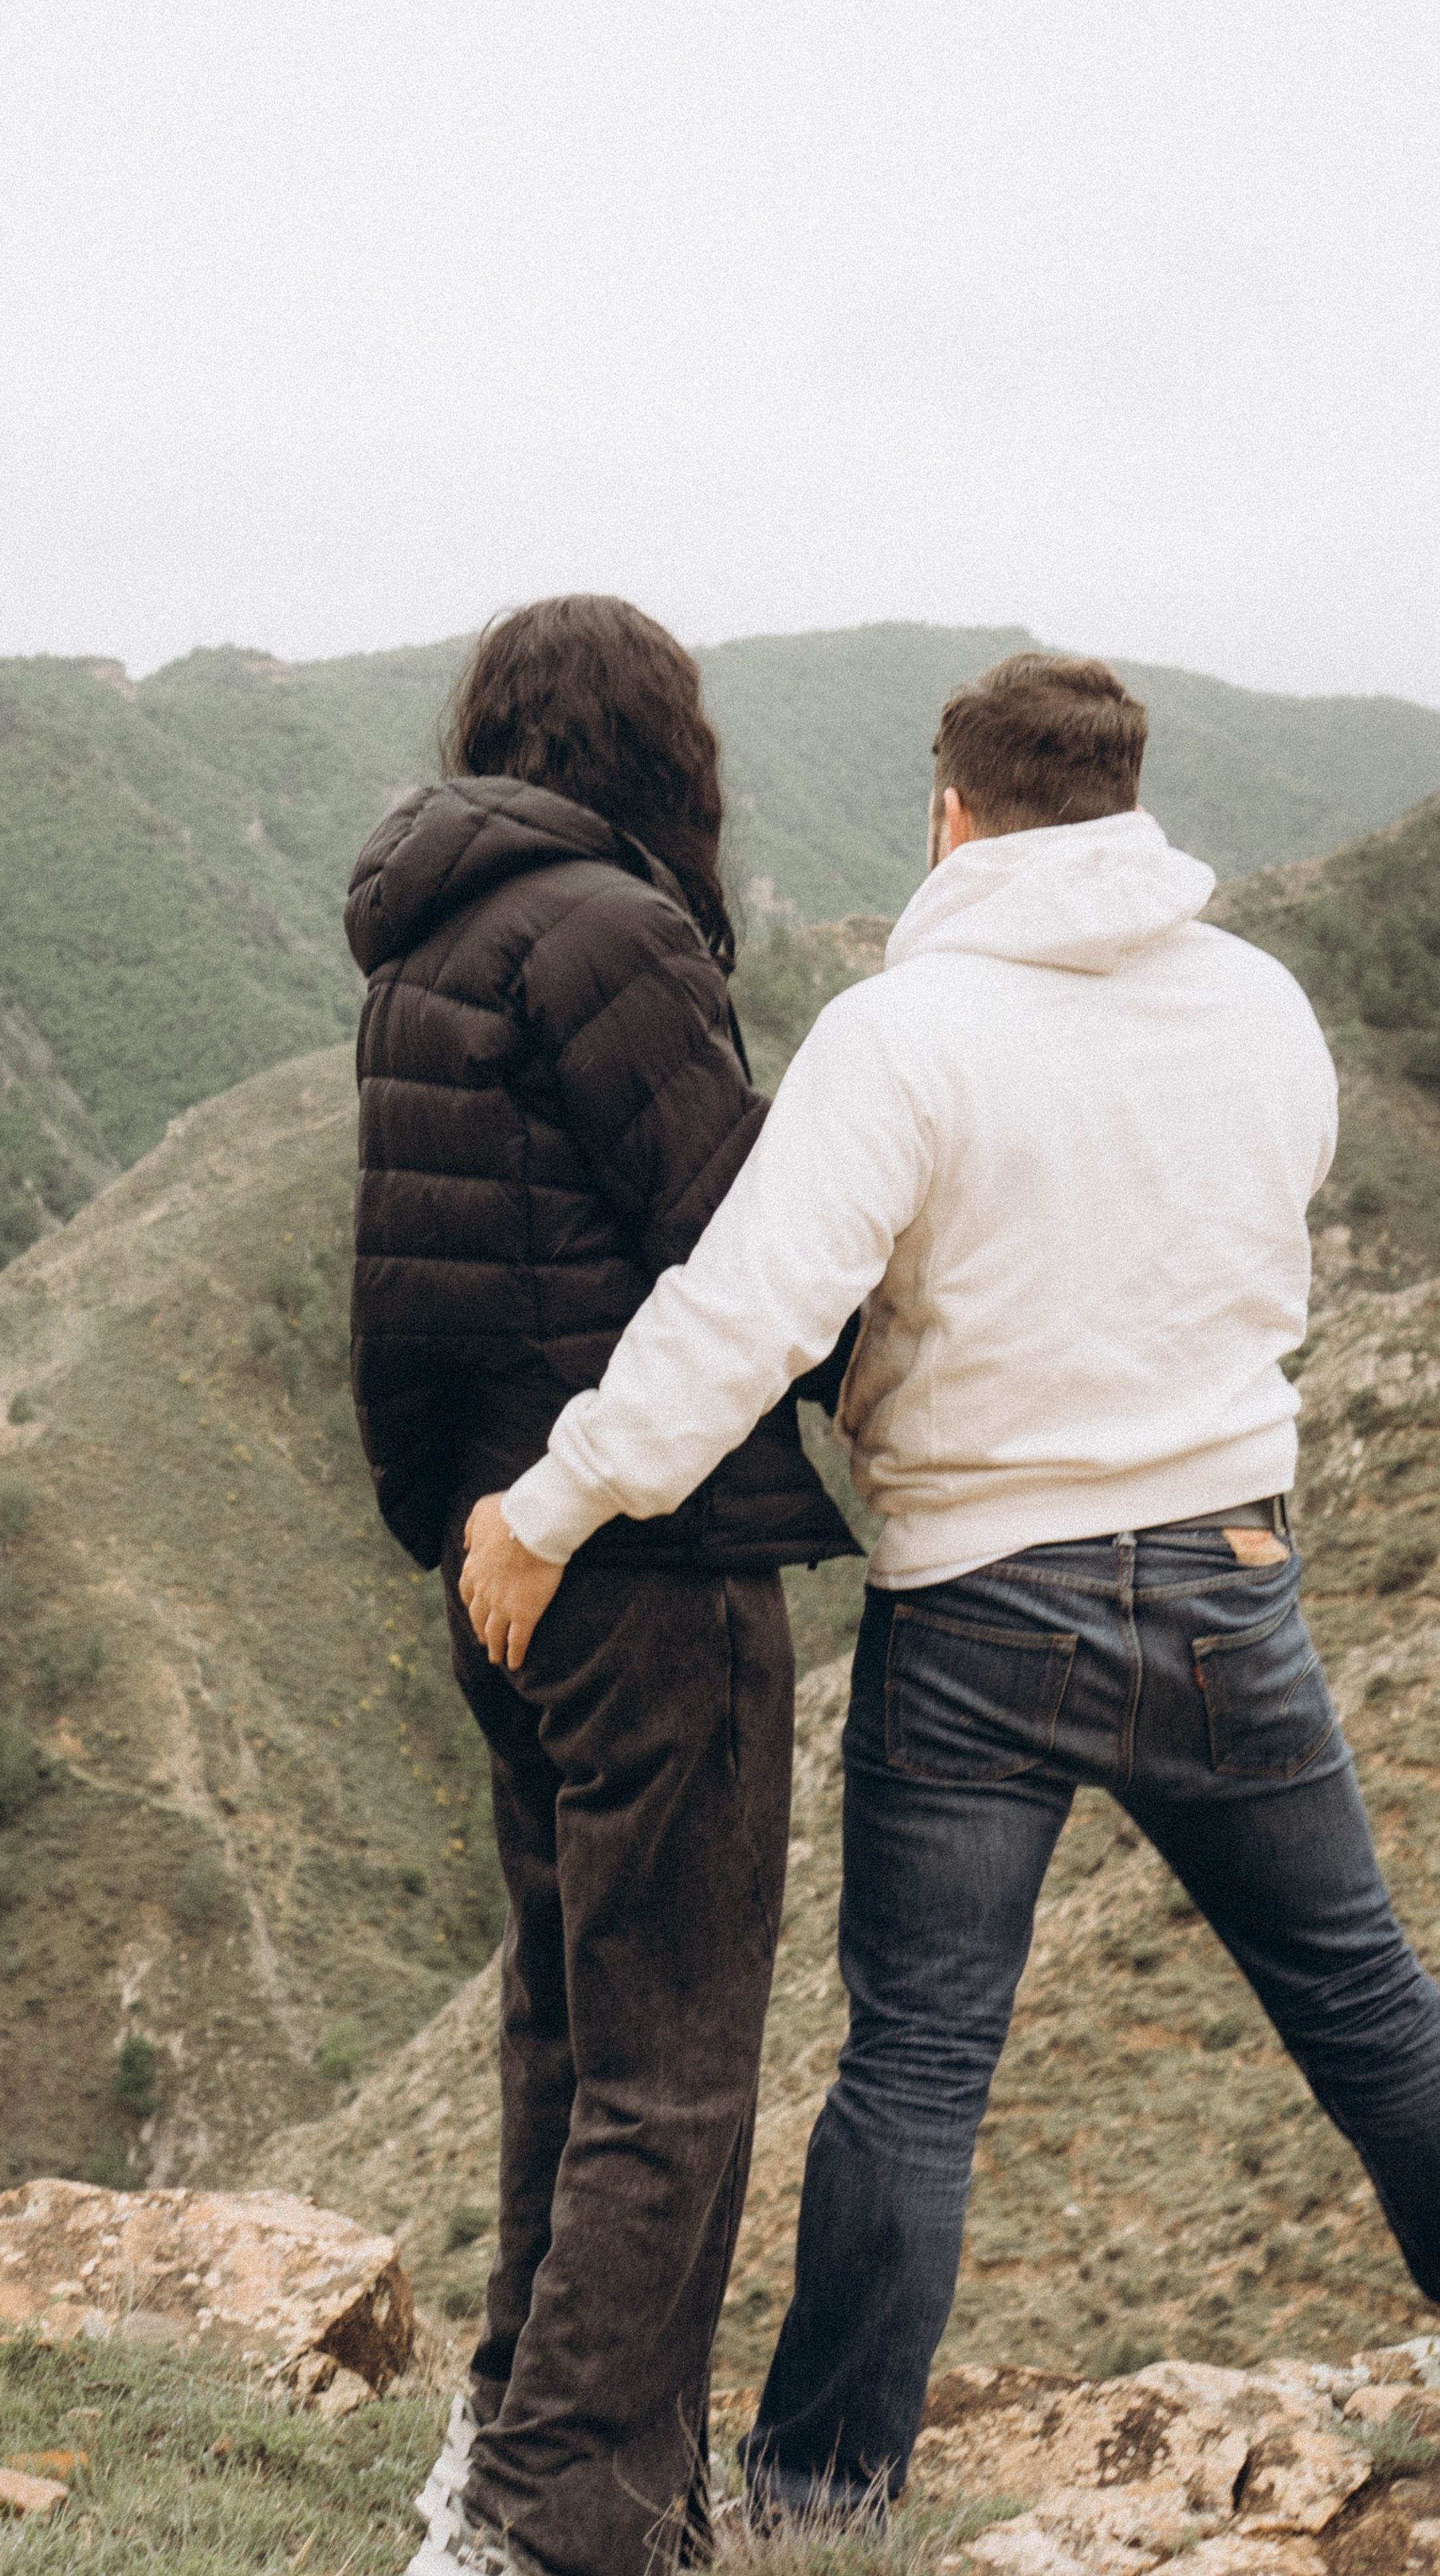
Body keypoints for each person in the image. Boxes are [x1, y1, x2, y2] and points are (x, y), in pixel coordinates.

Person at [459, 649, 1440, 2518]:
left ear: (951, 813)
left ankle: (824, 2502)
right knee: (1374, 2010)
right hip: (1232, 1576)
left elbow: (746, 1316)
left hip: (985, 1600)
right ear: (1130, 804)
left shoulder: (908, 1035)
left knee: (917, 2068)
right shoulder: (1262, 1007)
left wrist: (552, 1507)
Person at [345, 594, 859, 2575]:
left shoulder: (428, 946)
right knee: (676, 2073)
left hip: (503, 1564)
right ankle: (566, 2525)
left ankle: (505, 2449)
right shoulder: (621, 935)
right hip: (650, 1559)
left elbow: (415, 1296)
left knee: (565, 2028)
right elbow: (755, 1258)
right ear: (664, 748)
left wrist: (468, 1524)